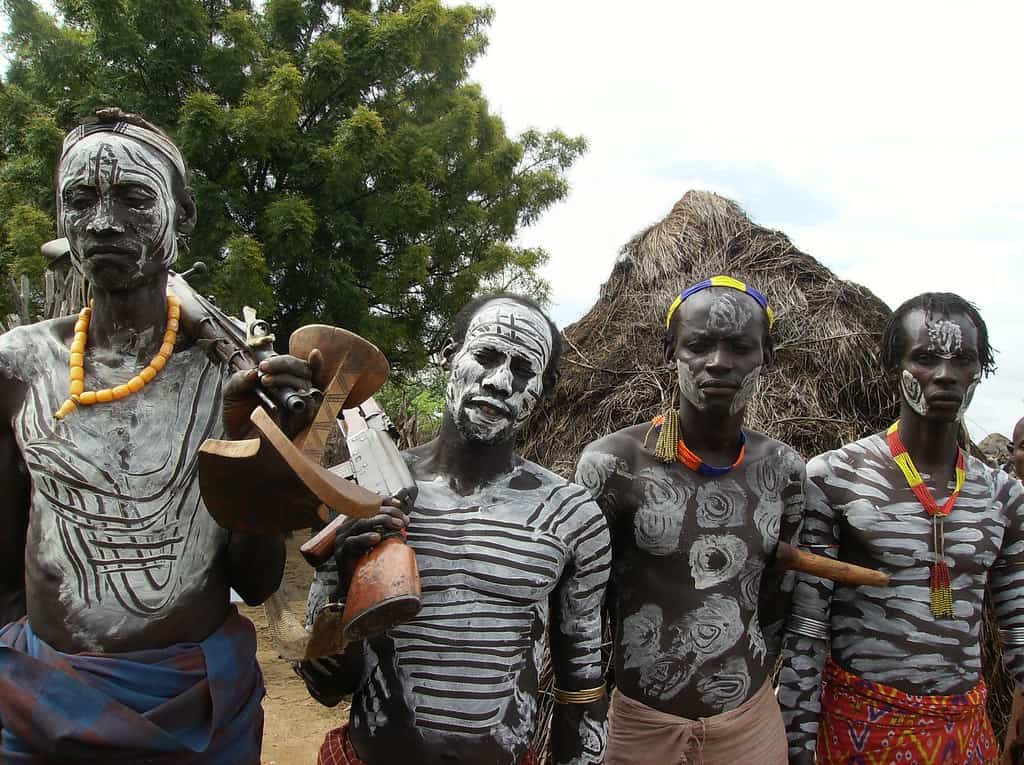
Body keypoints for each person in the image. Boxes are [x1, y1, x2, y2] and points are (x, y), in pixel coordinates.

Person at [0, 109, 321, 763]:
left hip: (197, 714)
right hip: (39, 708)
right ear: (60, 217)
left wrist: (250, 449)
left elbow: (256, 582)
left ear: (184, 214)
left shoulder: (233, 375)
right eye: (80, 199)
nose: (103, 223)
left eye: (135, 197)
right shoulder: (18, 365)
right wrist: (30, 683)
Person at [296, 295, 611, 765]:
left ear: (543, 389)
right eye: (485, 356)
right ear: (449, 355)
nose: (500, 381)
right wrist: (343, 579)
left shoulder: (569, 515)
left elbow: (581, 681)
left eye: (524, 370)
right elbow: (325, 686)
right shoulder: (359, 488)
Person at [779, 292, 1024, 765]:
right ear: (896, 366)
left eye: (964, 360)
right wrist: (798, 744)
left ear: (979, 371)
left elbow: (1018, 624)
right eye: (926, 358)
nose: (945, 375)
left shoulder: (1003, 496)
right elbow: (807, 629)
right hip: (856, 731)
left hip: (963, 736)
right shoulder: (835, 478)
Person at [575, 276, 804, 764]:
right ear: (669, 351)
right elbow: (582, 605)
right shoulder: (613, 465)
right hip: (639, 727)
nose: (718, 362)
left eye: (740, 347)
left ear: (767, 356)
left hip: (750, 728)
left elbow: (777, 597)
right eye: (699, 345)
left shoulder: (783, 469)